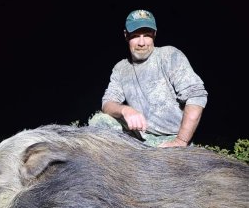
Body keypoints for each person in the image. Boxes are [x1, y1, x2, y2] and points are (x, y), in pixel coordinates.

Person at [89, 9, 208, 147]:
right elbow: (107, 103)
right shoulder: (120, 68)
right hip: (140, 136)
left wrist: (181, 140)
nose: (141, 43)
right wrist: (125, 110)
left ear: (154, 35)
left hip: (171, 139)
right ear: (126, 35)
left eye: (146, 35)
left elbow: (197, 95)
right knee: (99, 121)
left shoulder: (169, 55)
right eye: (135, 36)